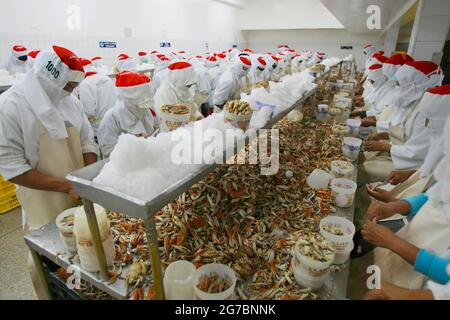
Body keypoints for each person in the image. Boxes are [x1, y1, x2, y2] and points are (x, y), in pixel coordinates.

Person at [0, 46, 98, 299]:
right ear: (49, 78)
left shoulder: (70, 102)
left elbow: (88, 140)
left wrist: (86, 175)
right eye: (66, 87)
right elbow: (12, 167)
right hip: (43, 200)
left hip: (78, 190)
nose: (70, 92)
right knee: (53, 257)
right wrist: (65, 185)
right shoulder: (11, 106)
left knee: (86, 249)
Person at [358, 61, 443, 185]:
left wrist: (385, 146)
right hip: (399, 152)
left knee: (363, 169)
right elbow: (401, 128)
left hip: (412, 166)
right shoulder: (413, 100)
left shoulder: (427, 111)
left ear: (417, 85)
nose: (398, 89)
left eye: (401, 85)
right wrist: (382, 135)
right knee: (363, 158)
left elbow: (417, 152)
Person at [98, 71, 157, 157]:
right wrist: (137, 147)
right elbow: (108, 150)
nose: (144, 107)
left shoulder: (149, 109)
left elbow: (157, 128)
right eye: (140, 104)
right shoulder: (112, 118)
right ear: (127, 100)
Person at [77, 70, 118, 138]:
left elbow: (89, 111)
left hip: (98, 129)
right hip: (114, 124)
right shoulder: (108, 79)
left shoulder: (85, 84)